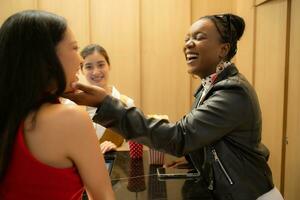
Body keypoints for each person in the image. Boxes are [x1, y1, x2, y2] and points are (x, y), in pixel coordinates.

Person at [64, 14, 283, 200]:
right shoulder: (210, 87)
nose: (188, 44)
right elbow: (207, 136)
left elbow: (179, 136)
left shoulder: (231, 92)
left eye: (199, 38)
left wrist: (105, 104)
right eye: (187, 38)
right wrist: (192, 156)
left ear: (223, 49)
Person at [0, 10, 114, 199]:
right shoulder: (71, 118)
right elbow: (103, 196)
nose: (80, 60)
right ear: (46, 59)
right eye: (74, 48)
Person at [65, 44, 134, 153]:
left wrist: (116, 149)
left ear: (109, 66)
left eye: (101, 65)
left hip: (116, 168)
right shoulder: (71, 105)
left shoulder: (126, 104)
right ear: (82, 70)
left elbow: (132, 148)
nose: (96, 72)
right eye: (88, 67)